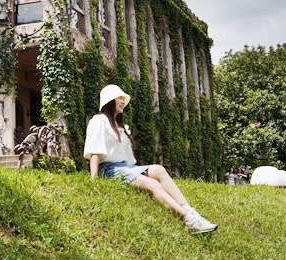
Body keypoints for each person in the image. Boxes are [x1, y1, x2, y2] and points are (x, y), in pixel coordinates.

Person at [84, 84, 218, 234]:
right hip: (109, 169)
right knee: (152, 184)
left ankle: (191, 212)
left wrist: (137, 172)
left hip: (125, 168)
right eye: (119, 98)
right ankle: (189, 220)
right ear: (110, 100)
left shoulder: (120, 125)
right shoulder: (98, 121)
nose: (123, 101)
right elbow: (95, 152)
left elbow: (127, 158)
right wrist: (93, 180)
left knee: (159, 170)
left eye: (123, 98)